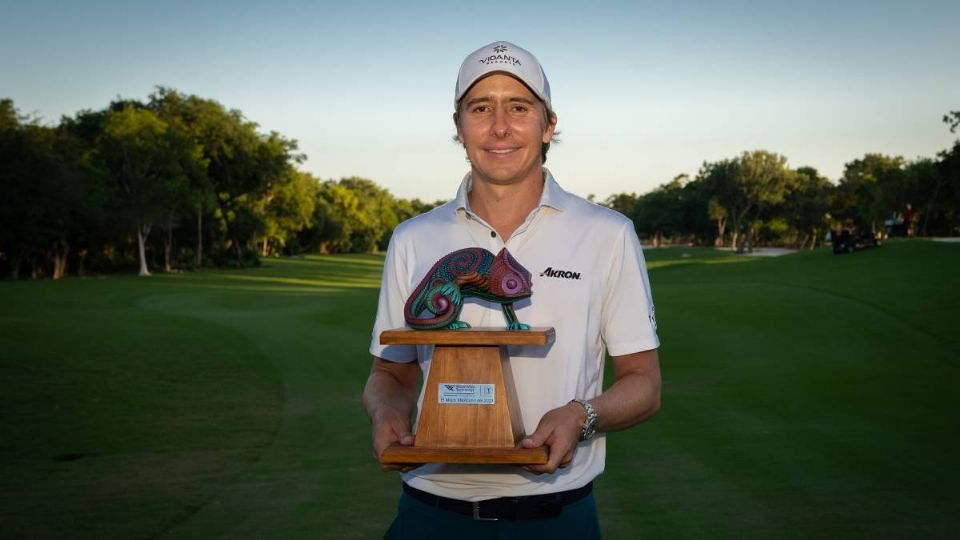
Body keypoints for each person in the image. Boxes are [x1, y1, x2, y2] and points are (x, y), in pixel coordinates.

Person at [363, 41, 661, 539]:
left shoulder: (607, 233)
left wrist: (581, 415)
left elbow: (644, 385)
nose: (500, 127)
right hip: (428, 514)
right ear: (459, 128)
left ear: (548, 125)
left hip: (555, 517)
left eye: (519, 108)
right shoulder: (413, 237)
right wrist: (385, 411)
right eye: (481, 108)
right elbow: (389, 374)